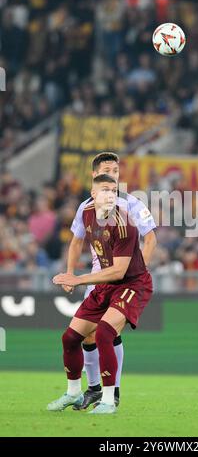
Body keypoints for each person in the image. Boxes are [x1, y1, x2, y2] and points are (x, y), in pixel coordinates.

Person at [48, 174, 153, 414]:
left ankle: (108, 400)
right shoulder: (85, 213)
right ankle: (74, 393)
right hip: (105, 284)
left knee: (105, 333)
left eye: (114, 191)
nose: (110, 195)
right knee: (70, 338)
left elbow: (118, 271)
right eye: (104, 190)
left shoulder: (124, 224)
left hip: (132, 284)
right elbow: (76, 243)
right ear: (93, 194)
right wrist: (70, 272)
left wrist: (78, 278)